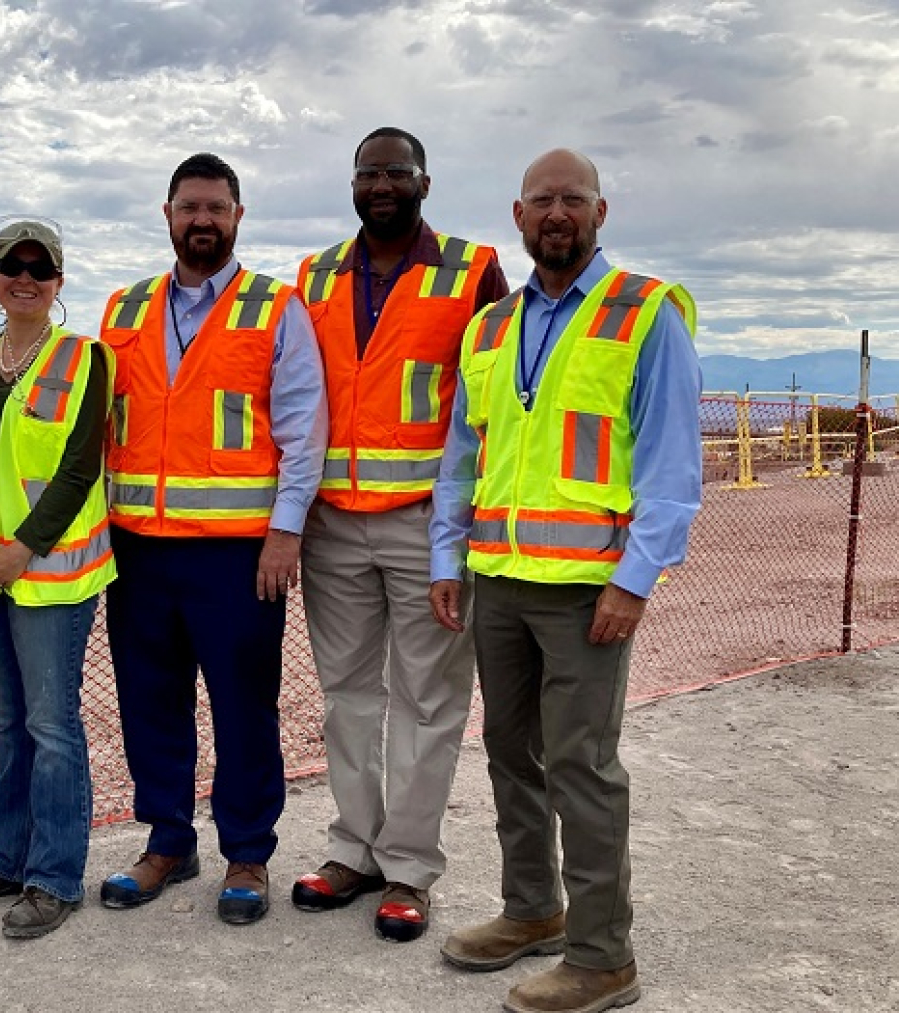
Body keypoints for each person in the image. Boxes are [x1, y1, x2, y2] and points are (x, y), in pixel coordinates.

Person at [430, 149, 701, 1013]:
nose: (558, 212)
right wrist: (449, 557)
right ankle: (532, 909)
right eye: (543, 200)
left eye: (572, 200)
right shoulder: (489, 327)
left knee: (581, 764)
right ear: (517, 215)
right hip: (498, 578)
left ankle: (602, 955)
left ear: (600, 212)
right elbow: (463, 455)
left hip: (590, 589)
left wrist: (635, 579)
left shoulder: (645, 313)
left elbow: (670, 463)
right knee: (512, 753)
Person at [97, 152, 327, 926]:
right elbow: (100, 433)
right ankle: (167, 840)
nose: (203, 220)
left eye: (217, 208)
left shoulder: (275, 308)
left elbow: (302, 429)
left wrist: (284, 533)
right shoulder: (123, 311)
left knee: (242, 707)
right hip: (139, 551)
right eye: (189, 207)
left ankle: (248, 852)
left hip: (239, 555)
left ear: (237, 217)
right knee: (150, 703)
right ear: (167, 215)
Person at [291, 126, 508, 943]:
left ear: (425, 180)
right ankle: (354, 849)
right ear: (352, 184)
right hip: (334, 527)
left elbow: (496, 399)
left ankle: (409, 867)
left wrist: (465, 529)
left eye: (396, 171)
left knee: (427, 700)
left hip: (428, 525)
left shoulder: (472, 269)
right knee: (348, 697)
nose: (381, 184)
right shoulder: (313, 277)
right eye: (368, 172)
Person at [0, 218, 114, 938]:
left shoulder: (83, 357)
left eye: (41, 267)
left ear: (59, 283)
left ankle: (55, 875)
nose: (26, 277)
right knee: (11, 724)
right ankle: (6, 857)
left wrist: (22, 548)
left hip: (52, 577)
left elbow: (78, 468)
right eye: (13, 264)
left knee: (52, 725)